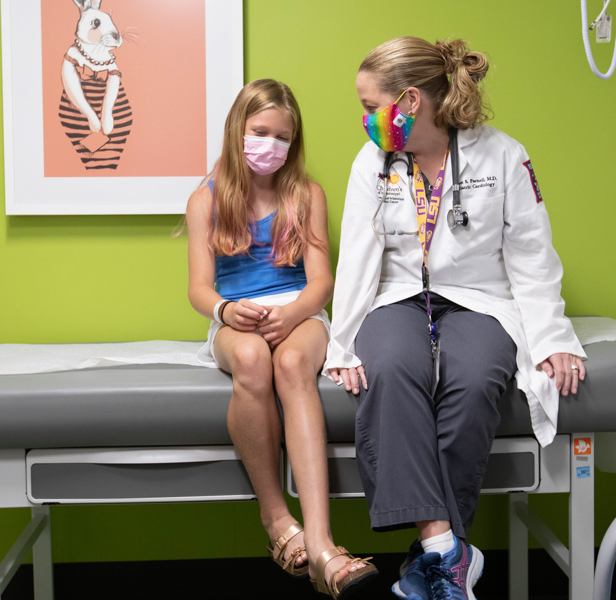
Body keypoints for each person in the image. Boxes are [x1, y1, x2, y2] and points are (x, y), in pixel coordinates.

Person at [324, 37, 588, 600]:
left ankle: (433, 558)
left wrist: (551, 337)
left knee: (472, 384)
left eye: (371, 105)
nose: (364, 118)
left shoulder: (502, 156)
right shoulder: (372, 161)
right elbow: (358, 256)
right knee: (391, 371)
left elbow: (531, 256)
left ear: (411, 100)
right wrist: (342, 343)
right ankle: (449, 551)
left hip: (479, 297)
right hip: (395, 295)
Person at [186, 79, 377, 599]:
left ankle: (321, 544)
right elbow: (200, 290)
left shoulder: (306, 194)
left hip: (299, 309)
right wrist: (228, 310)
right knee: (250, 360)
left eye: (282, 137)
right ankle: (277, 521)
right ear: (237, 130)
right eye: (260, 132)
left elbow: (321, 281)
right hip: (237, 316)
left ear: (293, 142)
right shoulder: (205, 199)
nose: (270, 144)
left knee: (293, 368)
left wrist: (293, 313)